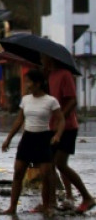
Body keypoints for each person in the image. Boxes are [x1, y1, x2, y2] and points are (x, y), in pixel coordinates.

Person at [0, 69, 64, 216]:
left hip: (43, 138)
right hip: (28, 138)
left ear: (38, 84)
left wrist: (58, 134)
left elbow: (61, 119)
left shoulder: (51, 101)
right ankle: (12, 207)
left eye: (29, 82)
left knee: (46, 174)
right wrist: (9, 138)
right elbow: (19, 120)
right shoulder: (26, 99)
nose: (27, 85)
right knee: (18, 172)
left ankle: (47, 206)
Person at [41, 54, 96, 213]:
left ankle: (86, 197)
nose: (41, 60)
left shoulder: (64, 74)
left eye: (43, 58)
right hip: (52, 126)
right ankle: (49, 202)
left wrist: (61, 116)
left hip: (67, 126)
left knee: (60, 163)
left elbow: (72, 99)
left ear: (50, 58)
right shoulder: (50, 75)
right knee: (48, 165)